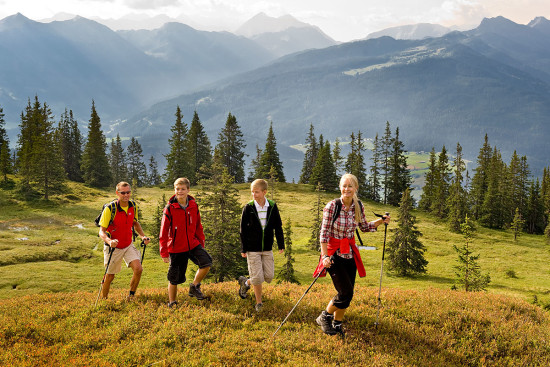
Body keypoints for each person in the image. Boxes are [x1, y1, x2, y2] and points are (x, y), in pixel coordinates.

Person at [313, 173, 390, 336]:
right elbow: (324, 233)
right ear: (340, 187)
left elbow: (363, 226)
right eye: (344, 186)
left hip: (349, 253)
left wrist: (381, 221)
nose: (347, 189)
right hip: (333, 253)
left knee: (348, 294)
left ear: (355, 188)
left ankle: (338, 324)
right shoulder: (332, 206)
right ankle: (324, 316)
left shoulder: (358, 206)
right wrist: (325, 257)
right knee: (345, 293)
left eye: (350, 186)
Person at [159, 177, 212, 307]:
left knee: (206, 263)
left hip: (193, 244)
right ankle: (172, 302)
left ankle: (194, 286)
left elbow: (198, 226)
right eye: (177, 189)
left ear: (188, 190)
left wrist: (201, 243)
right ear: (174, 190)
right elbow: (163, 232)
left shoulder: (193, 205)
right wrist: (164, 252)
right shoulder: (170, 208)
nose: (180, 191)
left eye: (183, 189)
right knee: (174, 278)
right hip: (176, 248)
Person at [98, 181, 151, 300]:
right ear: (117, 193)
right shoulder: (110, 209)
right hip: (113, 247)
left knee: (138, 269)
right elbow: (101, 231)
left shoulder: (133, 205)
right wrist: (109, 241)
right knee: (110, 276)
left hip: (128, 244)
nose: (126, 195)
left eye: (128, 192)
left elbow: (135, 223)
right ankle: (104, 299)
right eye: (123, 193)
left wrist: (143, 236)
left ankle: (131, 296)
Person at [238, 179, 285, 312]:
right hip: (252, 249)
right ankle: (259, 303)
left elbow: (278, 226)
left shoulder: (272, 206)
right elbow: (243, 229)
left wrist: (281, 244)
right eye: (252, 192)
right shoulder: (248, 207)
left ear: (264, 192)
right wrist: (243, 248)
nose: (254, 194)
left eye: (257, 192)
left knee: (269, 276)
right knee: (258, 278)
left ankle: (246, 282)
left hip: (267, 248)